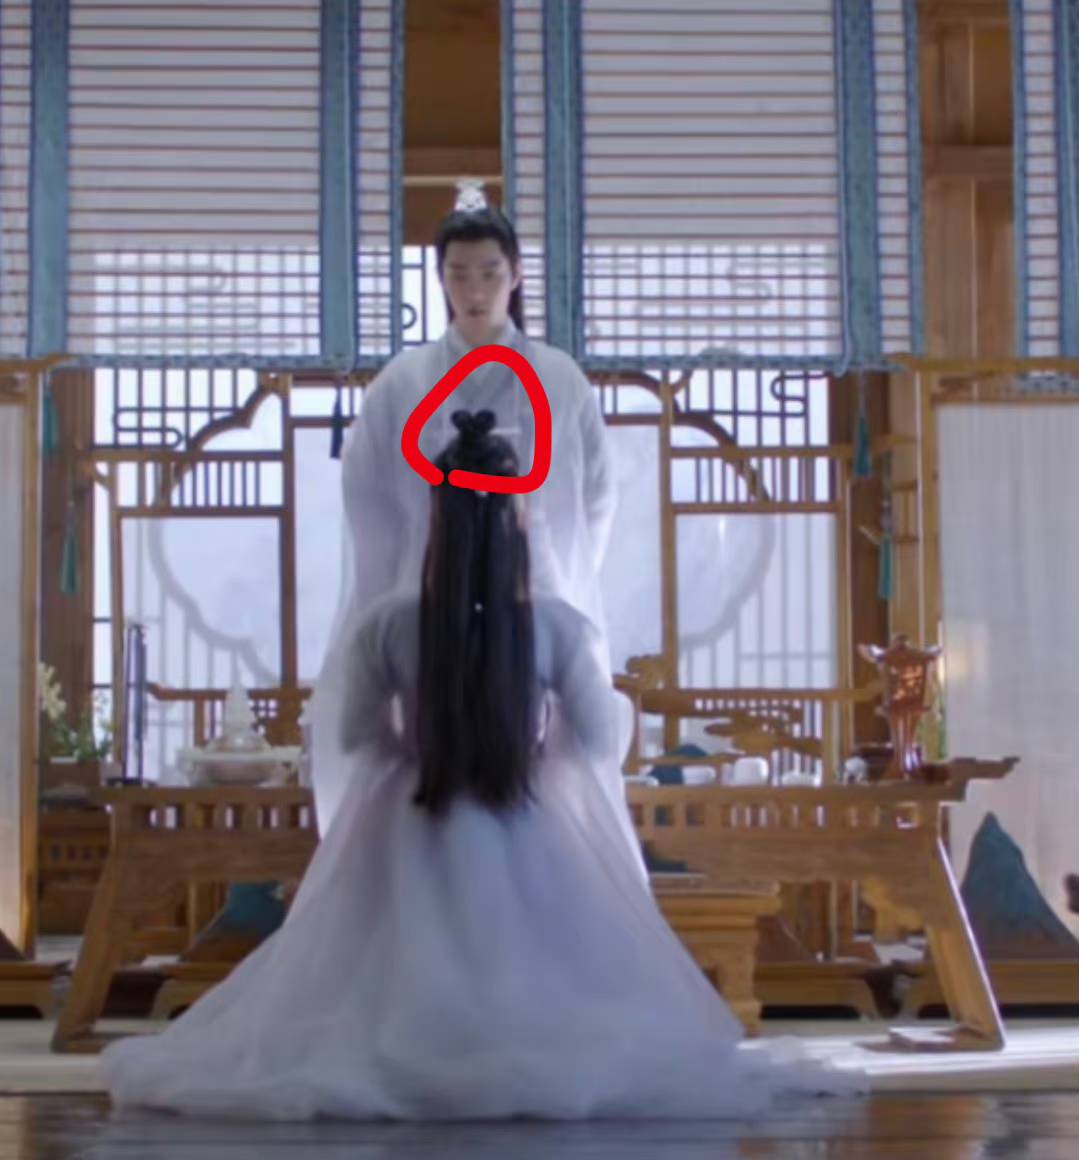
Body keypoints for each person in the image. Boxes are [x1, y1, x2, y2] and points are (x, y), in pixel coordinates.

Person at [99, 413, 854, 1120]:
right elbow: (598, 741)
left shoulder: (388, 626)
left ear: (437, 521)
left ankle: (406, 1054)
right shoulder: (558, 627)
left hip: (410, 815)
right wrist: (535, 737)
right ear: (517, 519)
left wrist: (420, 744)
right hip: (525, 809)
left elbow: (356, 736)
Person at [315, 183, 637, 860]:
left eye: (489, 272)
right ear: (439, 279)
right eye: (458, 273)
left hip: (534, 582)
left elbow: (595, 498)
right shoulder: (402, 382)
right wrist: (408, 568)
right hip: (428, 580)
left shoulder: (559, 379)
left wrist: (552, 570)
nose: (474, 289)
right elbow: (368, 494)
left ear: (515, 276)